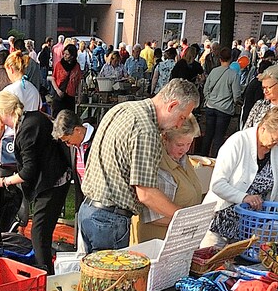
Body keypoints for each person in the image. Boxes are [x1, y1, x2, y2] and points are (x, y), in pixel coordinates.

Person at [78, 78, 200, 251]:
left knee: (95, 276)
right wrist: (185, 217)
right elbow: (146, 194)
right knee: (110, 277)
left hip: (89, 210)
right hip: (109, 220)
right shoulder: (146, 130)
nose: (179, 124)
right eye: (181, 117)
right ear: (171, 106)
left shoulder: (124, 109)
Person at [0, 94, 72, 274]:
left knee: (39, 234)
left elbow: (28, 171)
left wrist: (3, 181)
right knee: (42, 232)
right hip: (56, 179)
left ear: (4, 112)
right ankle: (46, 273)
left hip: (52, 183)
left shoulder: (27, 129)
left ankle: (45, 277)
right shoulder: (34, 118)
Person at [204, 107, 278, 240]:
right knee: (212, 258)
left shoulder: (277, 153)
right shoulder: (237, 142)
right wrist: (244, 197)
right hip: (220, 223)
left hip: (252, 228)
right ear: (263, 128)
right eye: (275, 139)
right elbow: (217, 184)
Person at [131, 115, 204, 243]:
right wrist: (194, 222)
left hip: (182, 237)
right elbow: (154, 216)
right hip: (160, 240)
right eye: (180, 144)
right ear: (165, 138)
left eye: (189, 143)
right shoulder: (160, 166)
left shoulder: (182, 158)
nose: (185, 149)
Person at [198, 47, 241, 157]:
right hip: (225, 109)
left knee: (208, 134)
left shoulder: (214, 71)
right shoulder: (233, 75)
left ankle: (202, 156)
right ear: (231, 58)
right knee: (218, 136)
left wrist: (208, 99)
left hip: (211, 106)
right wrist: (234, 103)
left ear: (220, 58)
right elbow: (236, 95)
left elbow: (206, 88)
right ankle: (214, 159)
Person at [50, 43, 83, 116]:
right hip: (60, 95)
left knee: (69, 118)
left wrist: (79, 96)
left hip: (70, 96)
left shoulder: (77, 66)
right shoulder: (59, 65)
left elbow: (79, 82)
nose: (64, 56)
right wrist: (57, 91)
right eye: (64, 53)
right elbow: (53, 78)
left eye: (67, 54)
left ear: (72, 56)